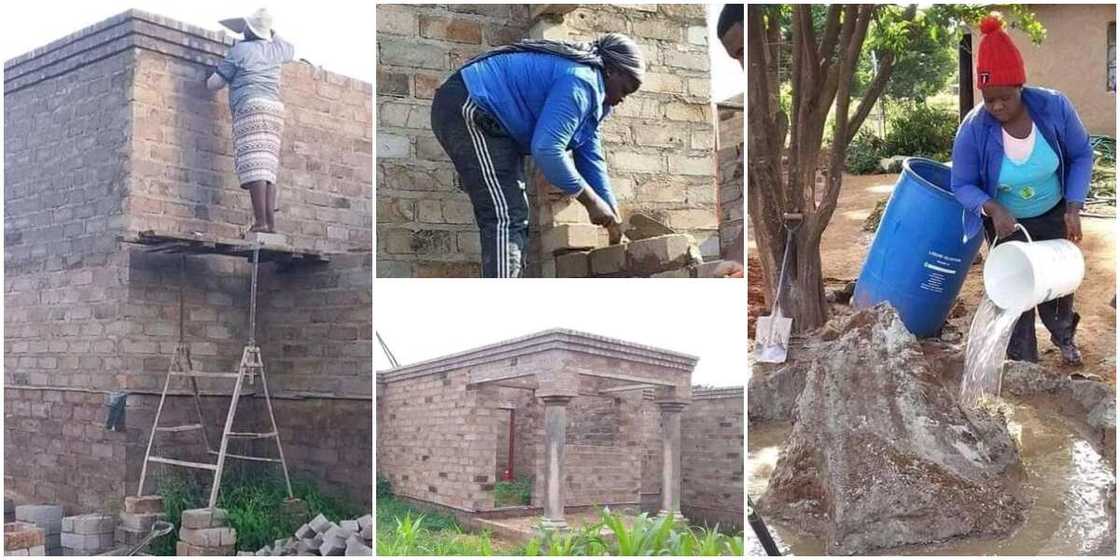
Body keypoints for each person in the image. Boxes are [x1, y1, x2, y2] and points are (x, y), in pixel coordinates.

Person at [429, 34, 644, 278]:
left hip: (496, 125)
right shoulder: (581, 81)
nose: (623, 99)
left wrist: (612, 216)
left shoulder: (599, 103)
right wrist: (591, 202)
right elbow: (547, 150)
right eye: (625, 89)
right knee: (505, 215)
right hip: (469, 107)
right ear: (611, 71)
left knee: (513, 215)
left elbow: (591, 159)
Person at [950, 15, 1092, 365]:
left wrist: (1073, 207)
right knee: (1015, 288)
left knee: (1056, 286)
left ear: (1020, 87)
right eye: (989, 98)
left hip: (1053, 211)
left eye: (1005, 97)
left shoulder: (1053, 107)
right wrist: (993, 208)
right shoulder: (974, 129)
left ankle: (1063, 336)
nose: (997, 106)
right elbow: (961, 184)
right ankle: (1022, 357)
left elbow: (1081, 154)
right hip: (1005, 221)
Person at [207, 8, 295, 234]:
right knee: (267, 166)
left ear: (249, 29)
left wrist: (209, 73)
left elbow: (214, 84)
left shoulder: (240, 51)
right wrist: (267, 29)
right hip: (274, 111)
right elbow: (289, 48)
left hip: (250, 107)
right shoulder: (277, 50)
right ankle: (270, 224)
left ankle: (260, 222)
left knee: (254, 164)